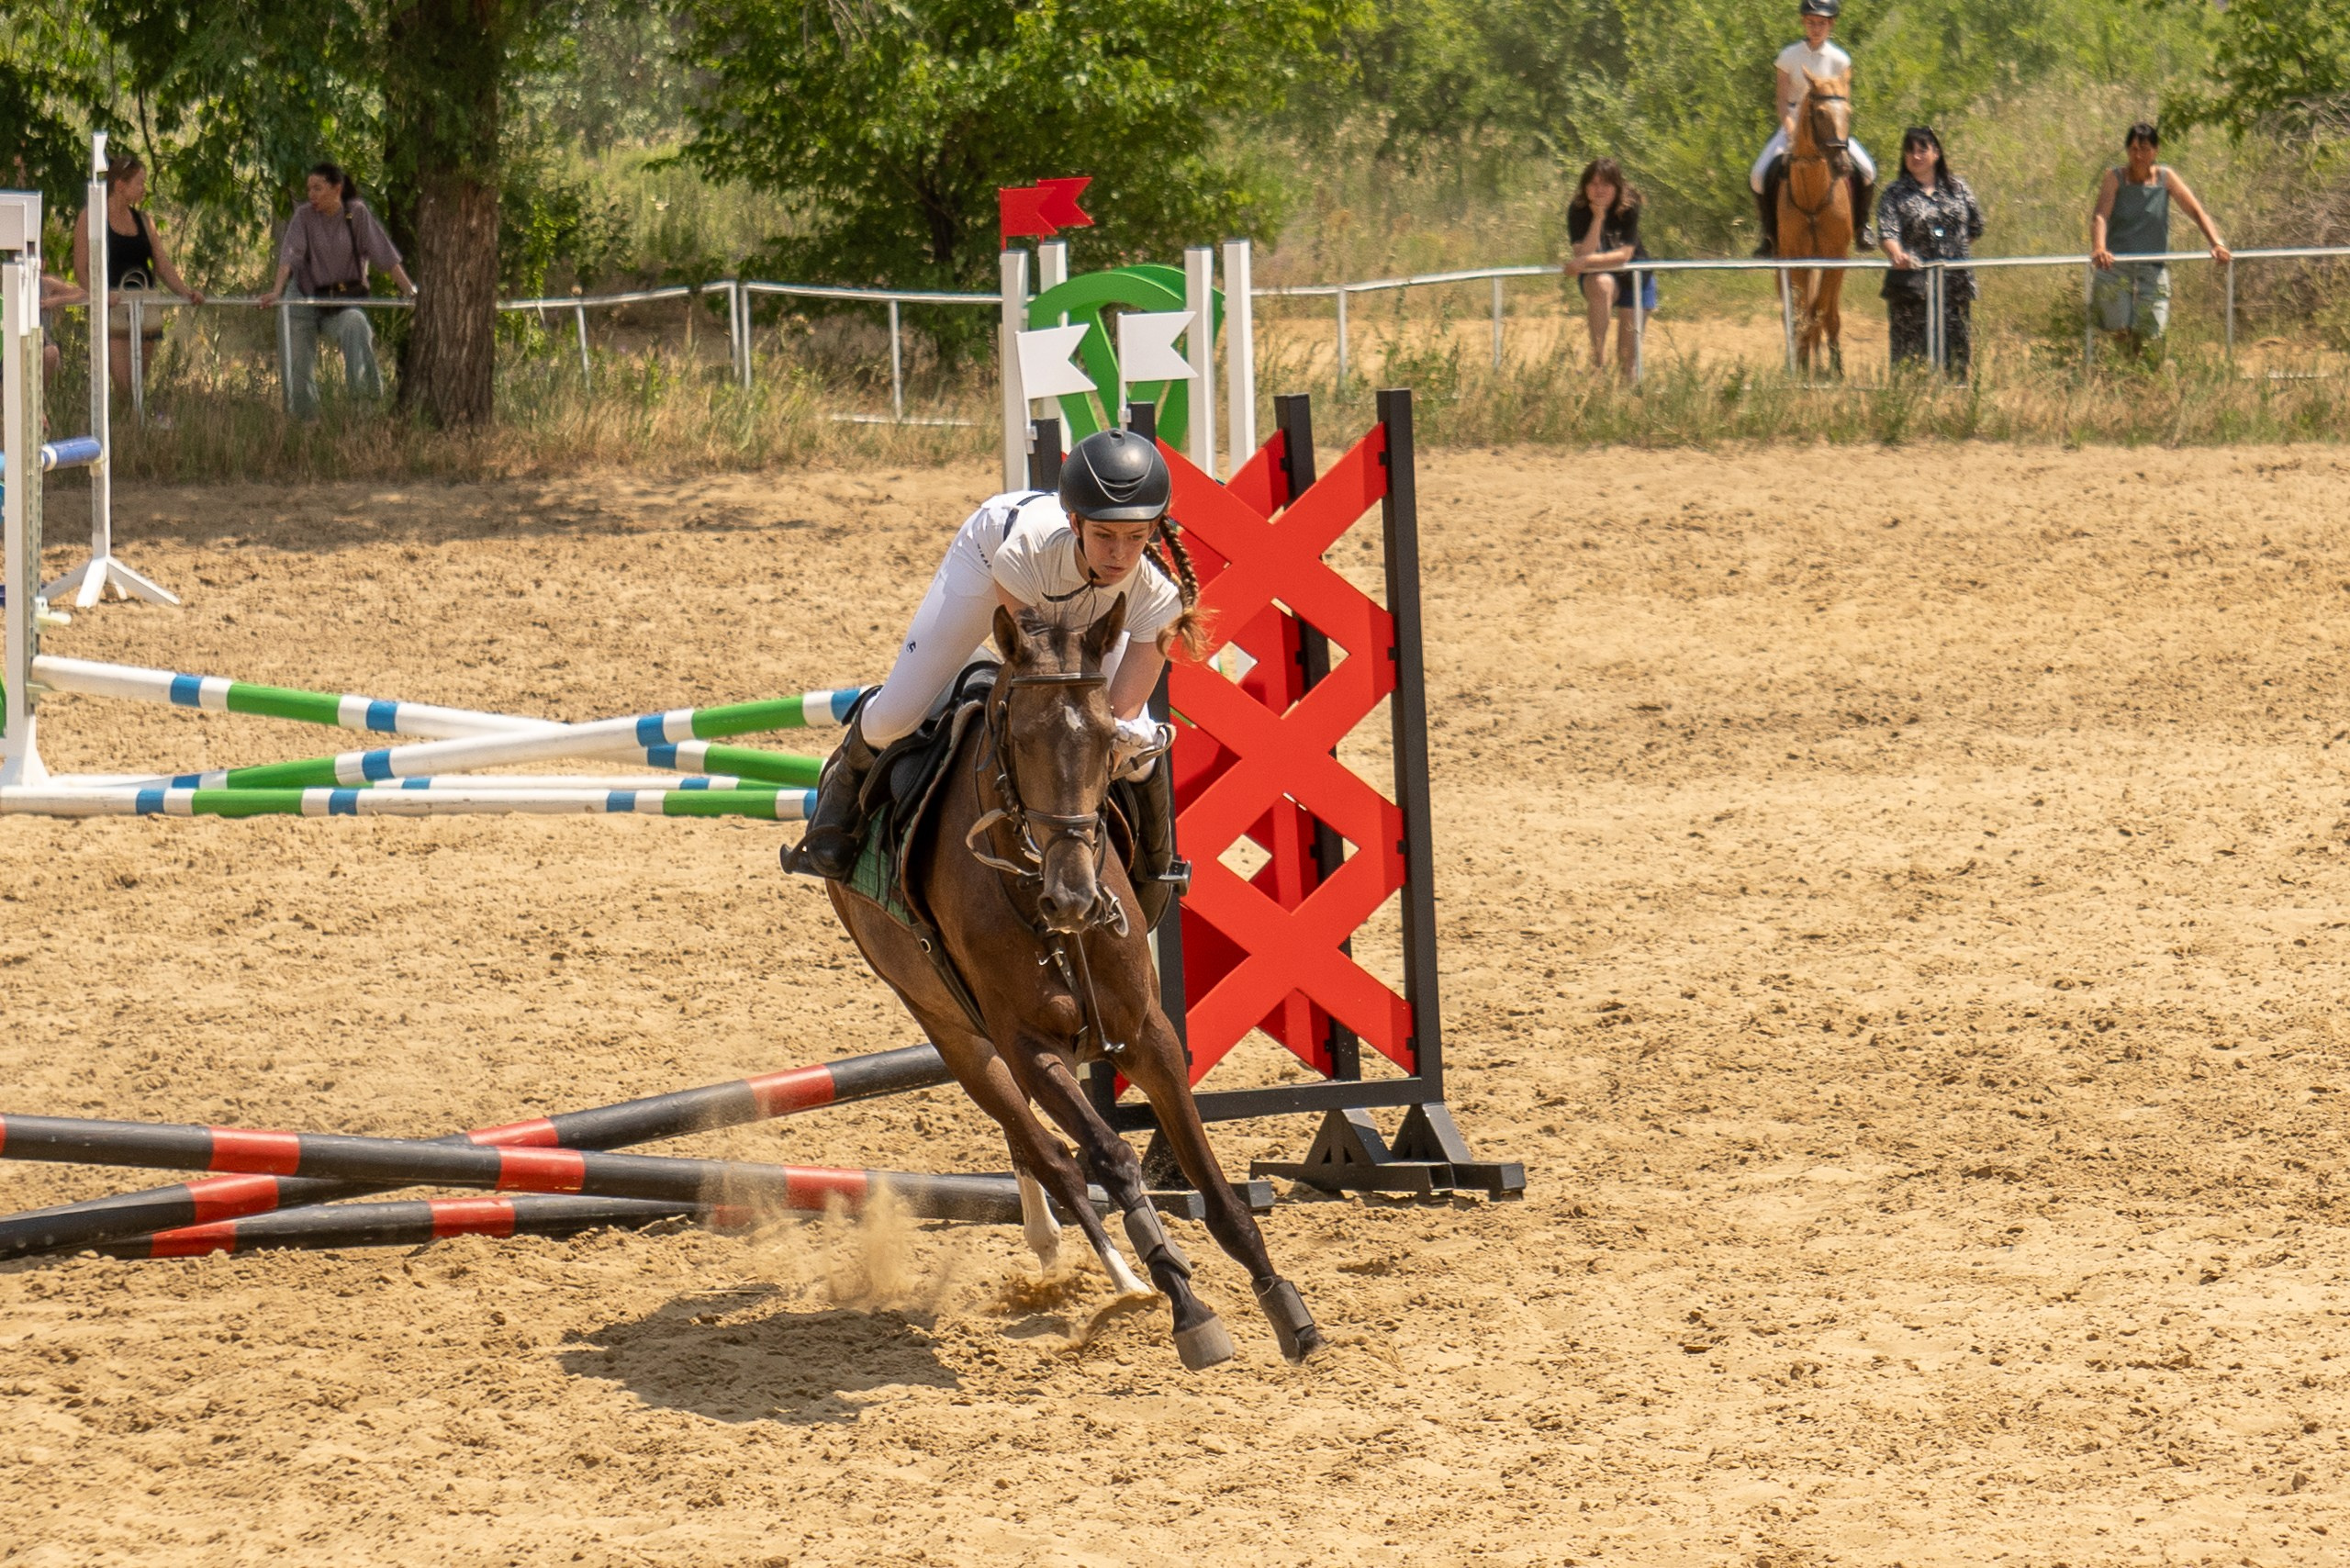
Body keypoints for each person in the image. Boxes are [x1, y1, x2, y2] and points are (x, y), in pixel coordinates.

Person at [788, 429, 1203, 908]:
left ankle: (1155, 868)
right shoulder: (1022, 553)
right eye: (1104, 536)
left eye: (1136, 538)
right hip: (990, 564)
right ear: (1075, 522)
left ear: (1153, 530)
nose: (1119, 555)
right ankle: (836, 818)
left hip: (1082, 601)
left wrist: (1113, 740)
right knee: (896, 716)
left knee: (1139, 744)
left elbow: (1122, 709)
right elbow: (1031, 661)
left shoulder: (1158, 597)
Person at [257, 162, 416, 419]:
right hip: (305, 296)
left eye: (318, 188)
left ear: (337, 188)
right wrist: (277, 291)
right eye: (309, 189)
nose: (311, 195)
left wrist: (410, 292)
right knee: (293, 344)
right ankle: (303, 422)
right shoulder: (304, 216)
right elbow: (289, 255)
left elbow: (386, 257)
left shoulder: (358, 214)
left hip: (342, 300)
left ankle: (365, 411)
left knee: (357, 324)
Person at [69, 154, 206, 408]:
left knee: (139, 386)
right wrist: (100, 296)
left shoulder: (145, 221)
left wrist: (186, 292)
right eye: (139, 183)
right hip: (114, 307)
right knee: (124, 386)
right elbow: (81, 270)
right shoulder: (90, 218)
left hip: (145, 305)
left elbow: (162, 265)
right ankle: (124, 431)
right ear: (120, 184)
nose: (144, 189)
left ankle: (138, 430)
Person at [2088, 122, 2229, 362]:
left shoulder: (2166, 178)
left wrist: (2216, 243)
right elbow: (2101, 215)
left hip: (2152, 268)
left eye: (2144, 149)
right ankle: (2122, 379)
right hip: (2115, 267)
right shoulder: (2114, 177)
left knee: (2152, 334)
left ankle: (2148, 383)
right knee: (2119, 331)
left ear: (2155, 151)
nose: (2138, 155)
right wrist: (2099, 248)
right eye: (2133, 149)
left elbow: (2196, 211)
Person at [1751, 0, 1876, 256]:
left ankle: (1862, 226)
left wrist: (1838, 134)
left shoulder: (1840, 59)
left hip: (1830, 125)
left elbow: (1845, 102)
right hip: (1795, 120)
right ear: (1803, 23)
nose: (1816, 28)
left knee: (1867, 170)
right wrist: (1789, 126)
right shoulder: (1788, 56)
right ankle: (1768, 234)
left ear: (1830, 24)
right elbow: (1782, 99)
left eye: (1821, 23)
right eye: (1811, 22)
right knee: (1758, 174)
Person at [1876, 127, 1984, 376]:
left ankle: (1954, 401)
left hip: (1954, 285)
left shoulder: (1958, 188)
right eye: (1910, 151)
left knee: (1956, 354)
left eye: (1922, 150)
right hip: (1912, 285)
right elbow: (1887, 232)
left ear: (1936, 152)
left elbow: (1976, 226)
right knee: (1910, 359)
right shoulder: (1893, 193)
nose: (1916, 156)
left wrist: (1953, 249)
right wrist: (1898, 254)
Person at [1562, 158, 1656, 382]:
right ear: (1585, 187)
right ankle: (1597, 365)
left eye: (1605, 184)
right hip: (1602, 276)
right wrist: (1597, 218)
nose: (1599, 190)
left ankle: (1627, 404)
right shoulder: (1578, 209)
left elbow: (1624, 255)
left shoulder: (1629, 203)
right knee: (1600, 284)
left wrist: (1585, 262)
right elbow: (1581, 252)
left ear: (1617, 186)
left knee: (1627, 358)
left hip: (1636, 276)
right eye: (1593, 184)